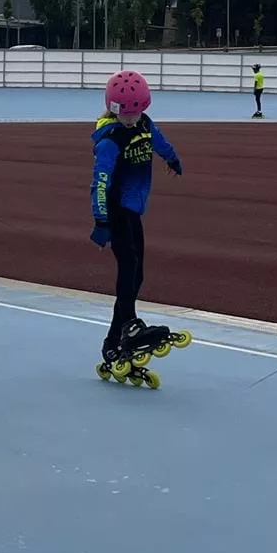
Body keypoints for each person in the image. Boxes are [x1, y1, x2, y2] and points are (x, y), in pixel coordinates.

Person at [89, 70, 185, 387]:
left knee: (138, 273)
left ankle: (114, 341)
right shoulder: (110, 141)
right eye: (126, 114)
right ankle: (128, 325)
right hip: (116, 211)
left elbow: (158, 138)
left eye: (136, 112)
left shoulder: (144, 123)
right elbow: (99, 184)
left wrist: (171, 158)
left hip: (133, 210)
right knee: (128, 265)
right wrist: (101, 222)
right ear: (115, 110)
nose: (132, 119)